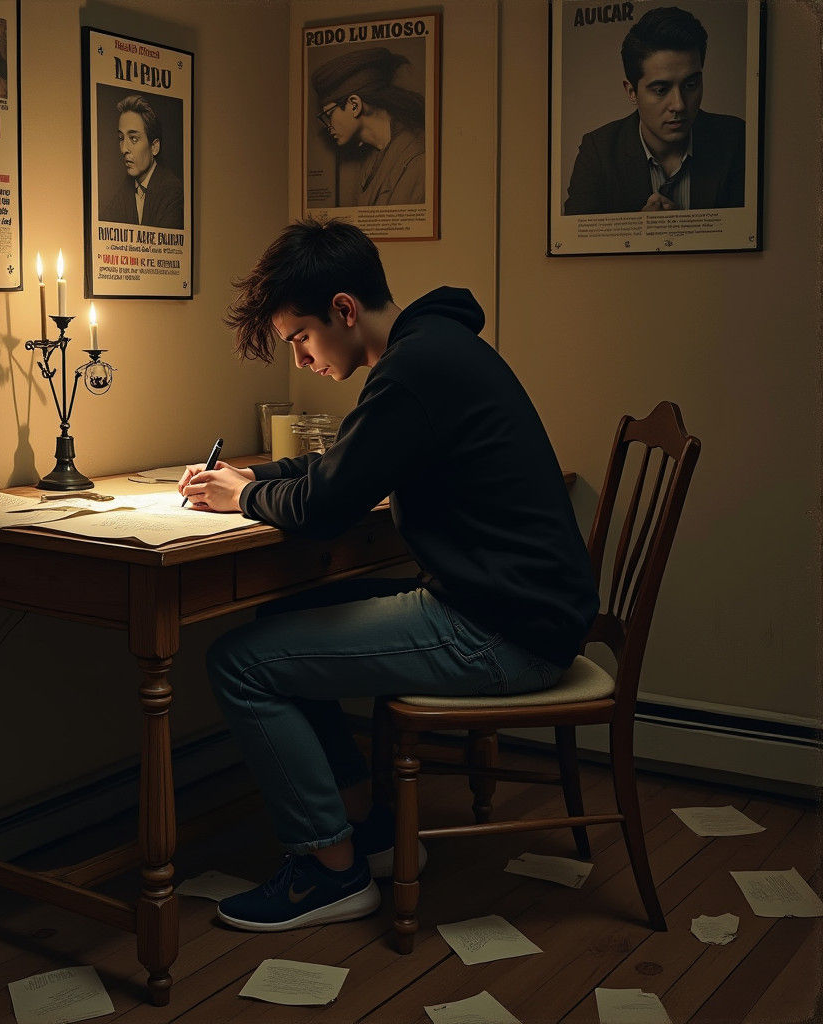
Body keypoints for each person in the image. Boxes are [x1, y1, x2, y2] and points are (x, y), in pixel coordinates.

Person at [178, 218, 599, 932]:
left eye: (301, 338)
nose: (303, 360)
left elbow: (326, 506)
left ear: (344, 309)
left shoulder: (412, 370)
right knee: (279, 620)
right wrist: (255, 475)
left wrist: (242, 498)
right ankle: (363, 833)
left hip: (503, 632)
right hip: (517, 609)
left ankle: (328, 870)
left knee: (240, 664)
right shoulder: (433, 346)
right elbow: (346, 464)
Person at [564, 6, 745, 215]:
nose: (679, 105)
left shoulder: (736, 139)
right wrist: (640, 229)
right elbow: (575, 234)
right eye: (661, 90)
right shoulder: (598, 152)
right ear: (632, 92)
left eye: (690, 85)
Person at [311, 47, 426, 207]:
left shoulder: (415, 159)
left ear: (354, 105)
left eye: (329, 115)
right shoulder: (374, 158)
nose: (328, 126)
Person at [99, 94, 184, 229]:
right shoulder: (124, 190)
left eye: (133, 139)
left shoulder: (173, 191)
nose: (124, 149)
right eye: (121, 138)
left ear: (154, 147)